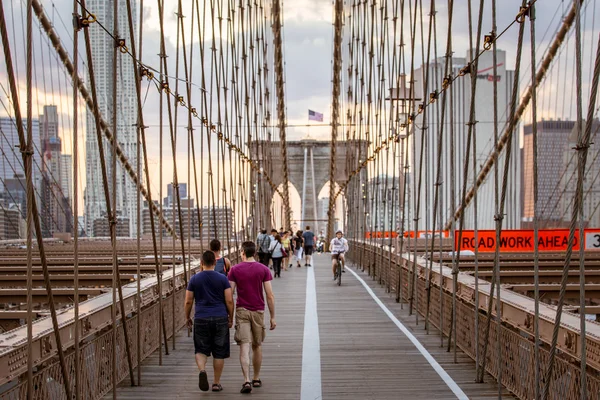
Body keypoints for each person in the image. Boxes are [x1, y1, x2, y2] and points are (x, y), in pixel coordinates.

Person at [228, 242, 276, 394]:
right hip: (258, 311)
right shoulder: (263, 269)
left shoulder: (235, 269)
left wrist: (229, 316)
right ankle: (256, 378)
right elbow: (269, 295)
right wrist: (273, 317)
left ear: (242, 252)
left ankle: (246, 380)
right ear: (255, 253)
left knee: (244, 345)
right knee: (257, 345)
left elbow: (229, 295)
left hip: (242, 310)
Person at [184, 251, 234, 392]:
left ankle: (202, 370)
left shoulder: (194, 279)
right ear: (214, 263)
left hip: (201, 318)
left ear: (201, 263)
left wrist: (187, 317)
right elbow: (229, 300)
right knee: (219, 351)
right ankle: (216, 383)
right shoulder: (222, 279)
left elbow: (188, 301)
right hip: (220, 317)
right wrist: (231, 316)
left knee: (200, 349)